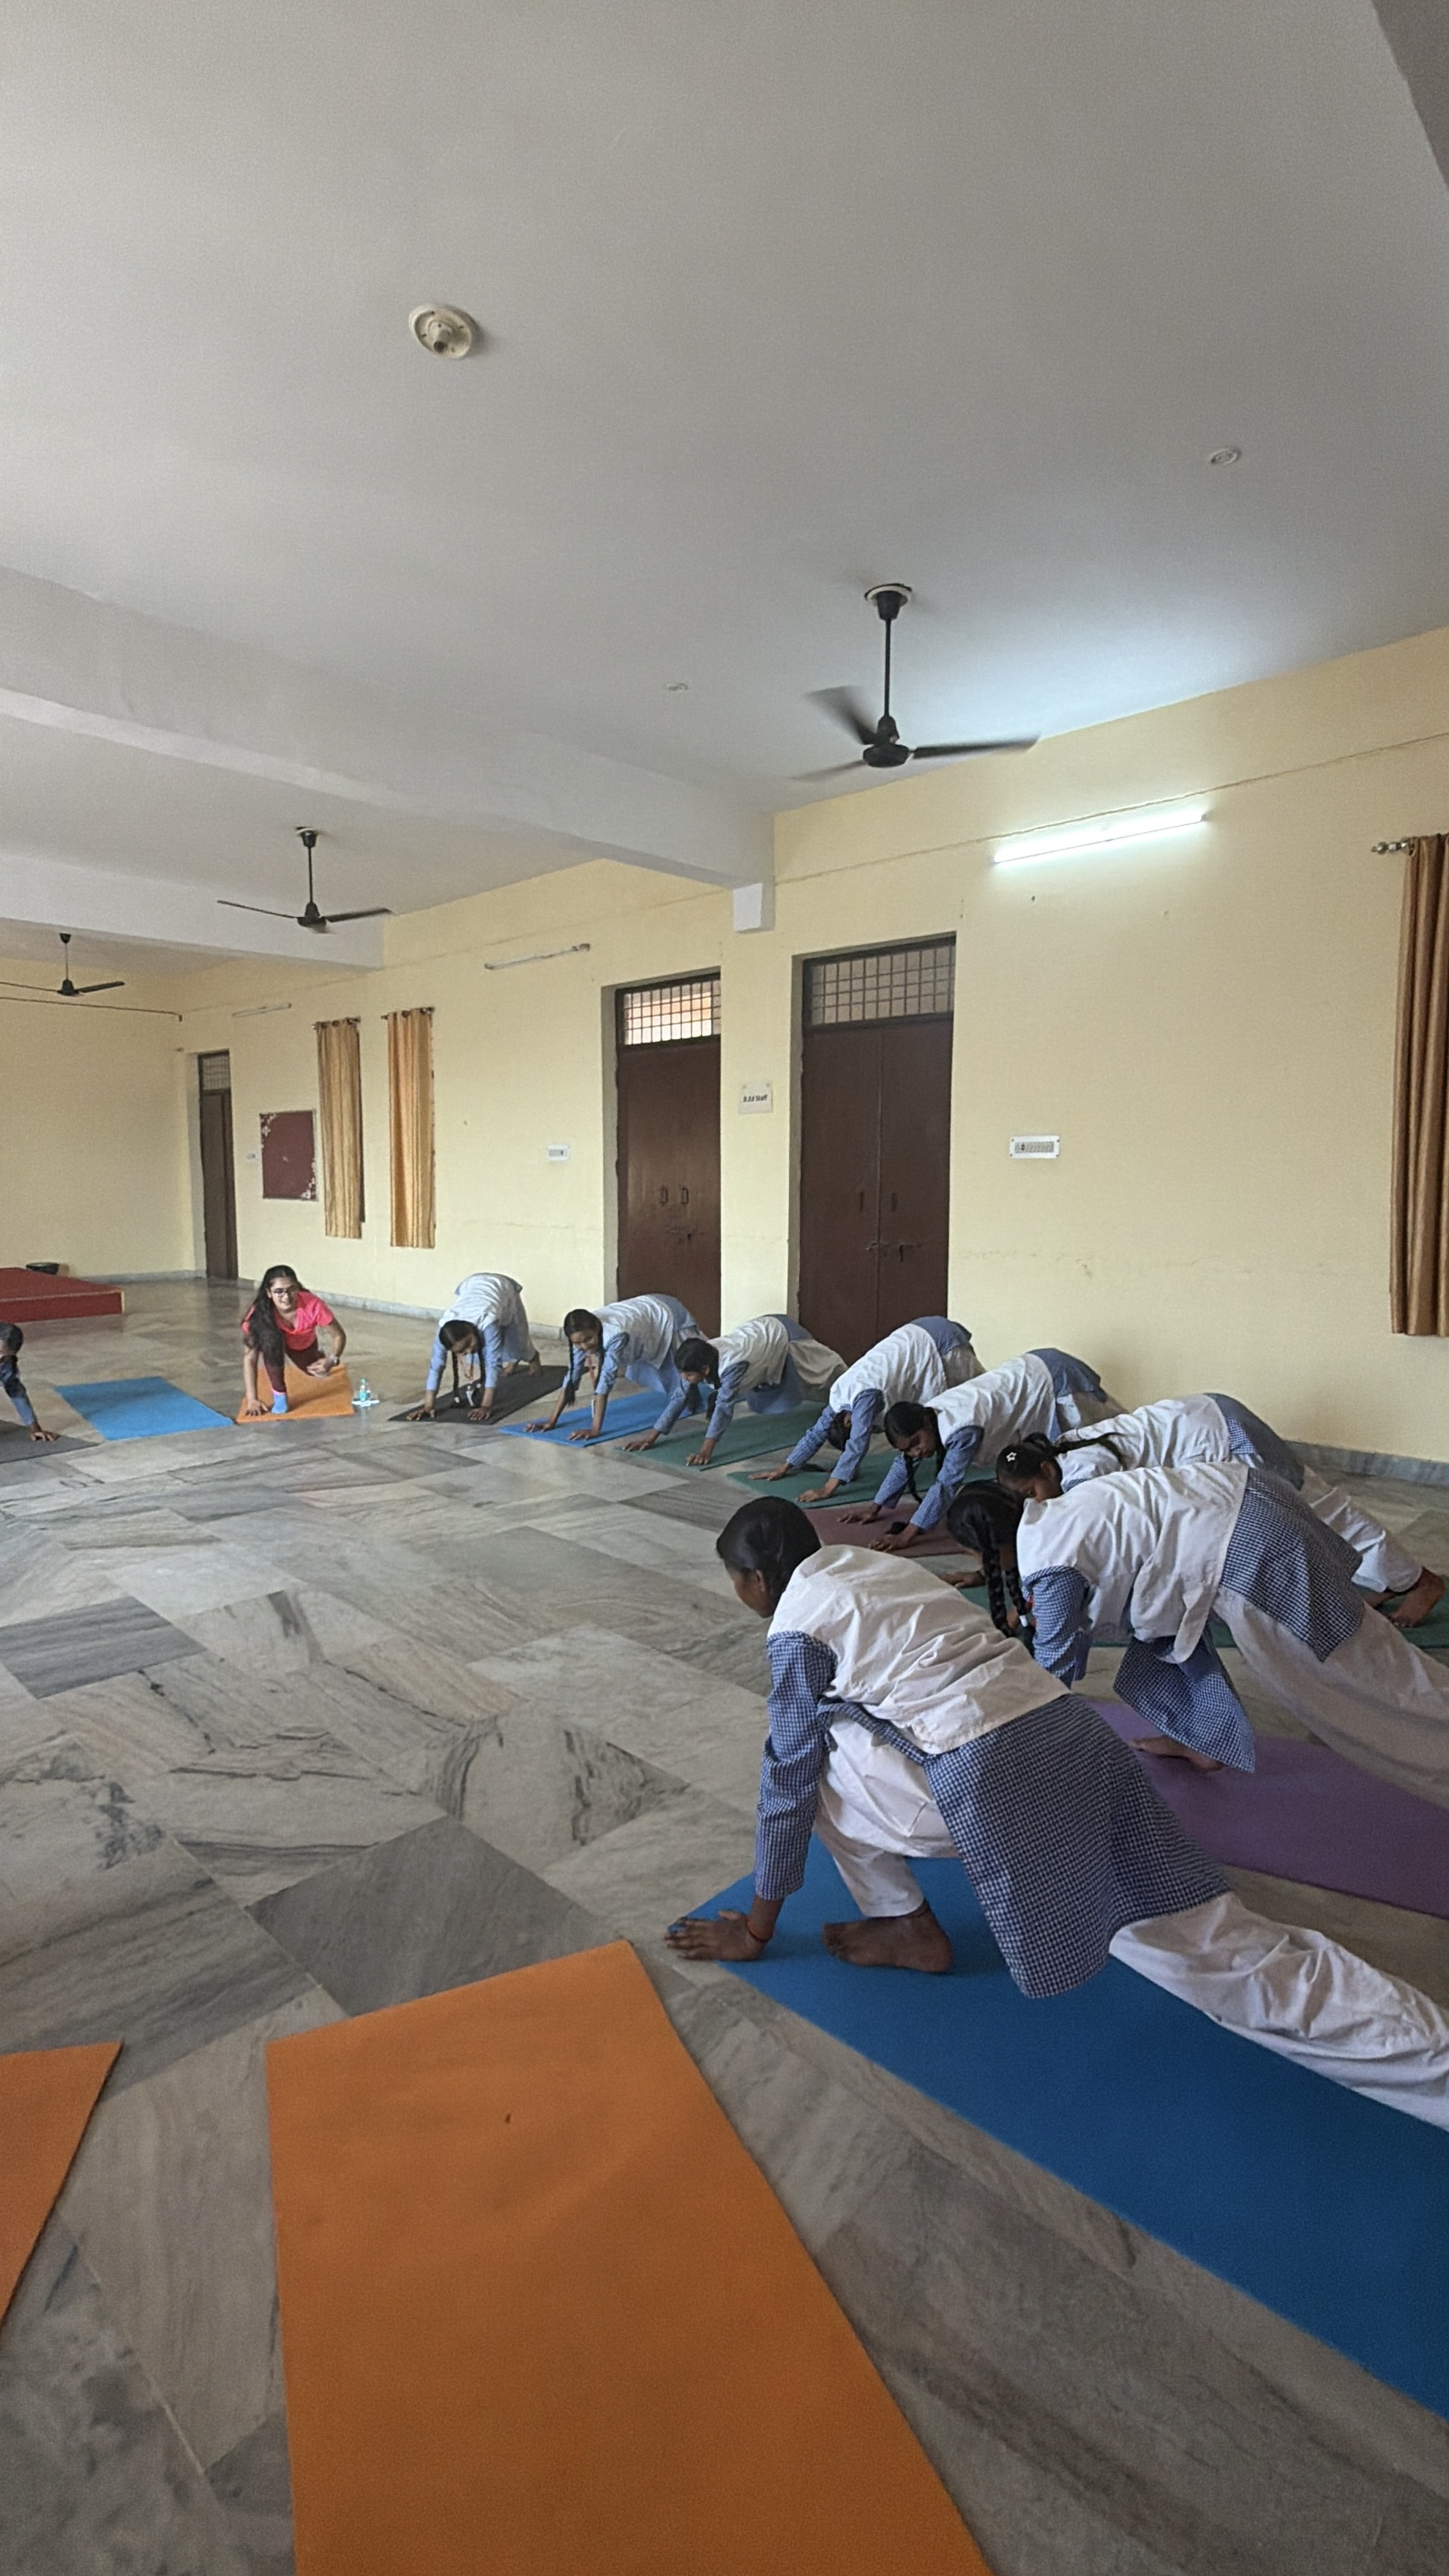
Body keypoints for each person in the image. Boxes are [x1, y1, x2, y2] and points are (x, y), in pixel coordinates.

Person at [665, 1500, 1449, 2129]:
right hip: (1074, 1735)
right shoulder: (872, 1570)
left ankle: (1430, 2065)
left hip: (1004, 1773)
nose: (737, 1594)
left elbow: (787, 1782)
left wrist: (758, 1928)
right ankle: (902, 1920)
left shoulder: (797, 1625)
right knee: (1221, 1943)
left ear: (760, 1579)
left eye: (735, 1578)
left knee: (805, 1761)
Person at [949, 1464, 1449, 1808]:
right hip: (1246, 1498)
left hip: (1247, 1545)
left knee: (1354, 1674)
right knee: (1160, 1642)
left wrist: (1011, 1757)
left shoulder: (1049, 1559)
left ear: (984, 1548)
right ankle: (1203, 1739)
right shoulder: (1053, 1513)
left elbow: (1053, 1672)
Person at [995, 1393, 1444, 1625]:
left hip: (1224, 1433)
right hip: (1206, 1421)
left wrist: (1031, 1605)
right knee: (1308, 1509)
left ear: (1047, 1471)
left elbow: (1080, 1548)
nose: (1035, 1503)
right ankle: (1388, 1577)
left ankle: (1420, 1581)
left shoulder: (1084, 1471)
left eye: (1032, 1492)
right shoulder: (1060, 1452)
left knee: (1317, 1507)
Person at [839, 1348, 1115, 1553]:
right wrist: (874, 1509)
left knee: (1099, 1444)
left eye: (916, 1444)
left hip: (1054, 1379)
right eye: (908, 1449)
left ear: (925, 1423)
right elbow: (905, 1464)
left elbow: (946, 1485)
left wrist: (907, 1536)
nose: (917, 1453)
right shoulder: (930, 1416)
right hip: (1033, 1370)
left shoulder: (960, 1429)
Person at [750, 1317, 981, 1503]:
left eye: (865, 1427)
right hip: (919, 1331)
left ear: (849, 1422)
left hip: (940, 1341)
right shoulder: (840, 1397)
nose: (870, 1428)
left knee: (977, 1396)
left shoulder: (863, 1397)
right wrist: (785, 1467)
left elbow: (857, 1445)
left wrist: (827, 1489)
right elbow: (816, 1432)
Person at [619, 1314, 844, 1466]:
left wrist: (706, 1451)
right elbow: (679, 1397)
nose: (684, 1379)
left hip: (784, 1333)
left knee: (826, 1372)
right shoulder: (700, 1357)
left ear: (705, 1370)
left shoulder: (731, 1365)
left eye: (687, 1375)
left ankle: (855, 1403)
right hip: (759, 1333)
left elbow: (724, 1409)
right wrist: (650, 1438)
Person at [527, 1293, 699, 1443]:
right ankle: (688, 1394)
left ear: (597, 1329)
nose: (585, 1346)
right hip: (644, 1317)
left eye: (588, 1339)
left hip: (666, 1313)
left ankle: (705, 1393)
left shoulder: (615, 1334)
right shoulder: (579, 1336)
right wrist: (551, 1421)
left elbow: (606, 1381)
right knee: (665, 1377)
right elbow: (572, 1376)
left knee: (688, 1365)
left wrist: (595, 1429)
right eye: (578, 1343)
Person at [416, 1273, 537, 1422]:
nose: (468, 1352)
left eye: (468, 1345)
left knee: (517, 1338)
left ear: (473, 1331)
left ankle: (533, 1358)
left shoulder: (488, 1323)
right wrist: (428, 1405)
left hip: (502, 1287)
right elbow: (436, 1366)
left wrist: (486, 1405)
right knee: (485, 1352)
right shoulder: (444, 1331)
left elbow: (494, 1364)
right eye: (461, 1351)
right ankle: (514, 1361)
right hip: (470, 1285)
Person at [240, 1265, 347, 1418]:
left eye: (291, 1290)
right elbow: (250, 1358)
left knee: (314, 1371)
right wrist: (252, 1399)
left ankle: (318, 1357)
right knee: (271, 1345)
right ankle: (280, 1395)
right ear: (268, 1293)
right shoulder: (257, 1315)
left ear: (298, 1288)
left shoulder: (313, 1305)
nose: (286, 1297)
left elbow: (339, 1335)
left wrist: (332, 1359)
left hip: (301, 1343)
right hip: (273, 1342)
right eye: (279, 1292)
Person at [0, 1323, 57, 1444]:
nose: (0, 1358)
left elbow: (15, 1391)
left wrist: (35, 1428)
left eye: (3, 1355)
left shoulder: (6, 1363)